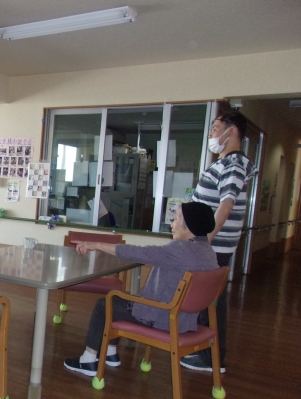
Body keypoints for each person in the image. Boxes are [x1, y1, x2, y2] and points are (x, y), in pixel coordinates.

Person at [64, 202, 218, 377]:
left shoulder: (179, 250)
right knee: (120, 301)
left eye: (176, 219)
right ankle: (110, 353)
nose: (172, 224)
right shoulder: (208, 252)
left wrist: (96, 245)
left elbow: (137, 252)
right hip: (186, 320)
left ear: (189, 225)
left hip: (162, 317)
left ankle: (88, 360)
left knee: (105, 305)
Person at [180, 111, 256, 373]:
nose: (211, 133)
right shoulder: (227, 163)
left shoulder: (233, 164)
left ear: (231, 131)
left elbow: (225, 207)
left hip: (214, 246)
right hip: (212, 246)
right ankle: (207, 352)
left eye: (215, 127)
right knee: (210, 300)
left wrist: (204, 241)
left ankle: (210, 357)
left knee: (209, 301)